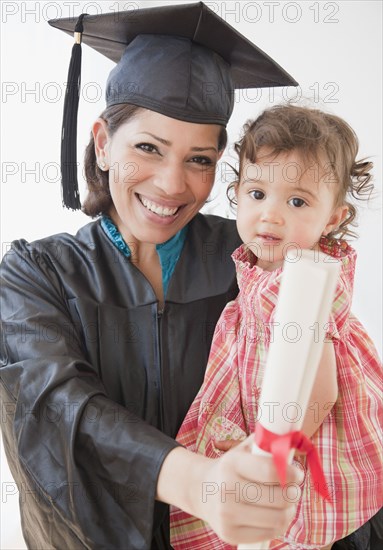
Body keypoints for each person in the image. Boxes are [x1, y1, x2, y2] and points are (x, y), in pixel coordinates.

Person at [0, 3, 307, 549]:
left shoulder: (253, 258)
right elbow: (55, 405)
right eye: (148, 148)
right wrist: (201, 483)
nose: (171, 185)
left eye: (199, 160)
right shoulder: (34, 275)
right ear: (101, 143)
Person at [170, 104, 383, 549]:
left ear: (333, 219)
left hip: (304, 441)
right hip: (267, 422)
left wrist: (273, 450)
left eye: (298, 201)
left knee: (294, 527)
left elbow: (321, 392)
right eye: (257, 194)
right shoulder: (263, 268)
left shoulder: (304, 281)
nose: (271, 215)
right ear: (237, 193)